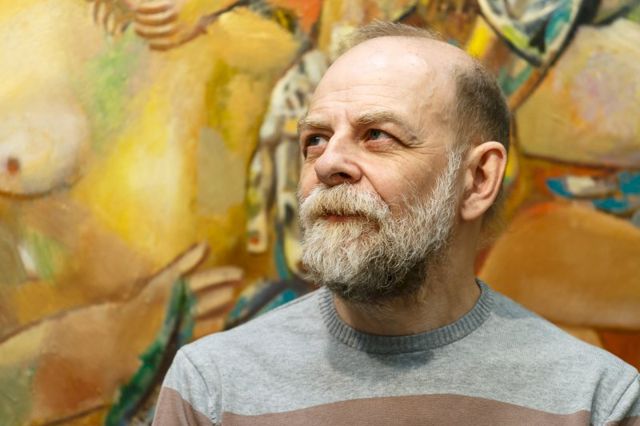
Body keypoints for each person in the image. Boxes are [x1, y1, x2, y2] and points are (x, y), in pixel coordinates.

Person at [152, 21, 640, 425]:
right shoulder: (211, 389)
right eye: (316, 139)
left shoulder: (595, 400)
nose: (327, 163)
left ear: (477, 179)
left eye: (377, 135)